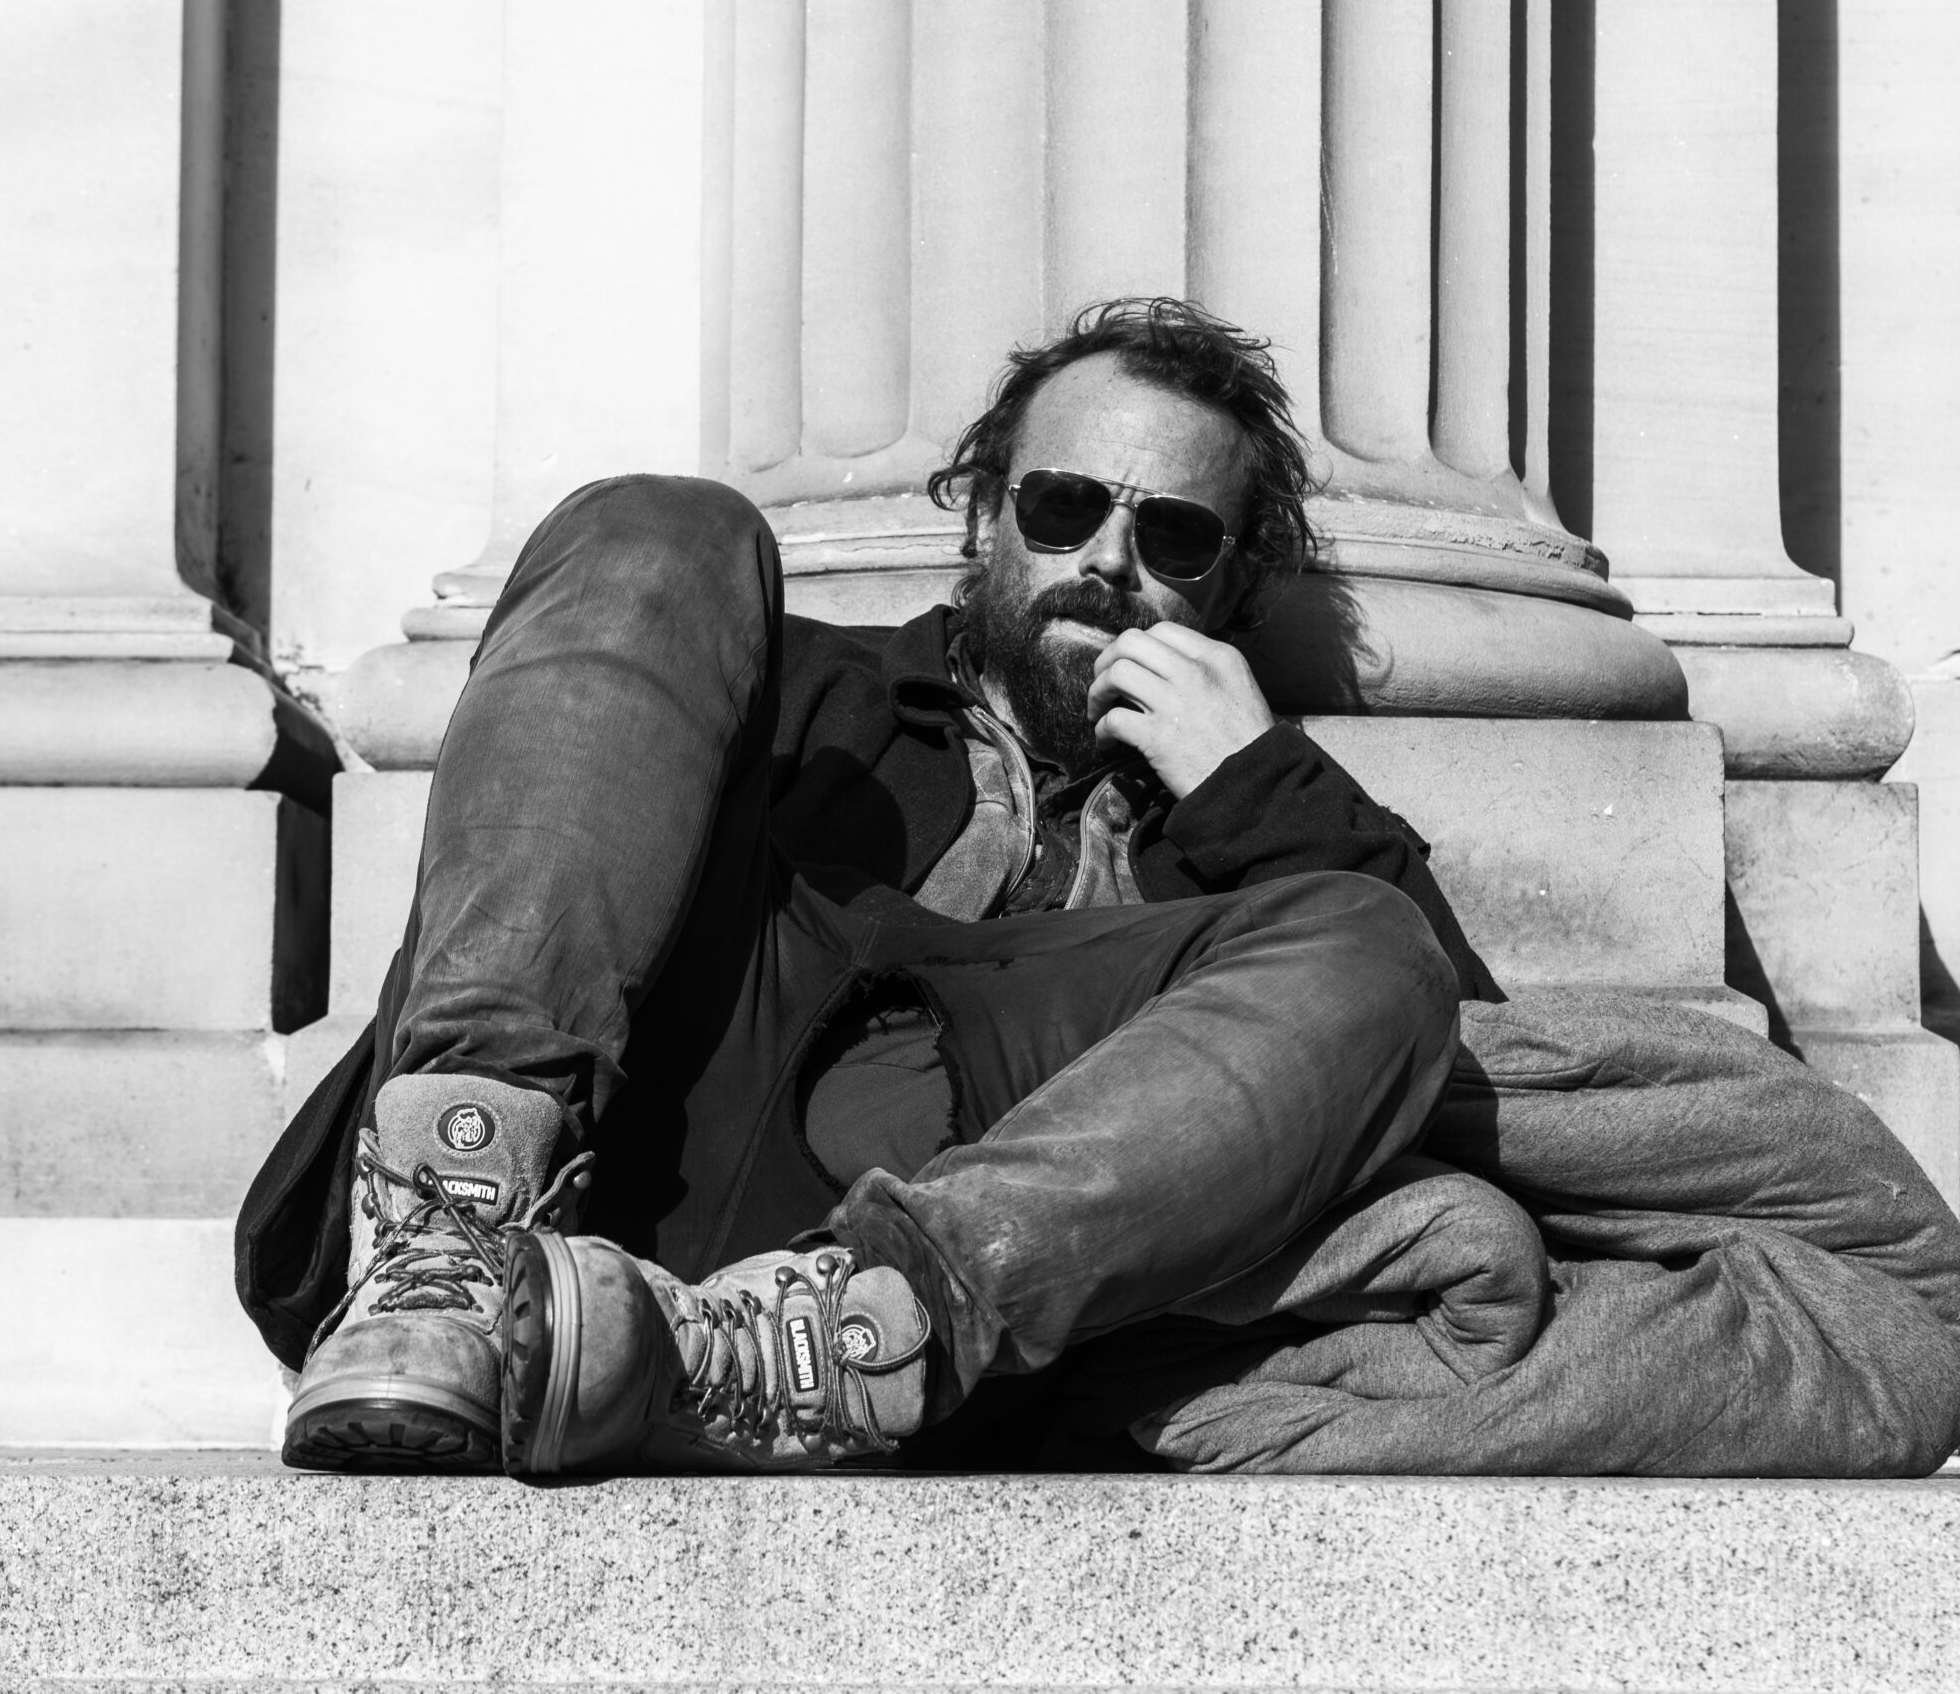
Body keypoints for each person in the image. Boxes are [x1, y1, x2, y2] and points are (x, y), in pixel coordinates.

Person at [238, 297, 1505, 1473]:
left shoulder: (1249, 821)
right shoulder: (796, 693)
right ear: (983, 520)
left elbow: (1462, 1060)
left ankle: (811, 1348)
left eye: (1172, 533)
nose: (1110, 560)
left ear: (1227, 584)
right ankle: (452, 1235)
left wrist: (1254, 784)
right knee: (660, 526)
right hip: (663, 1121)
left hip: (926, 1277)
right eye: (1061, 505)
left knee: (1372, 945)